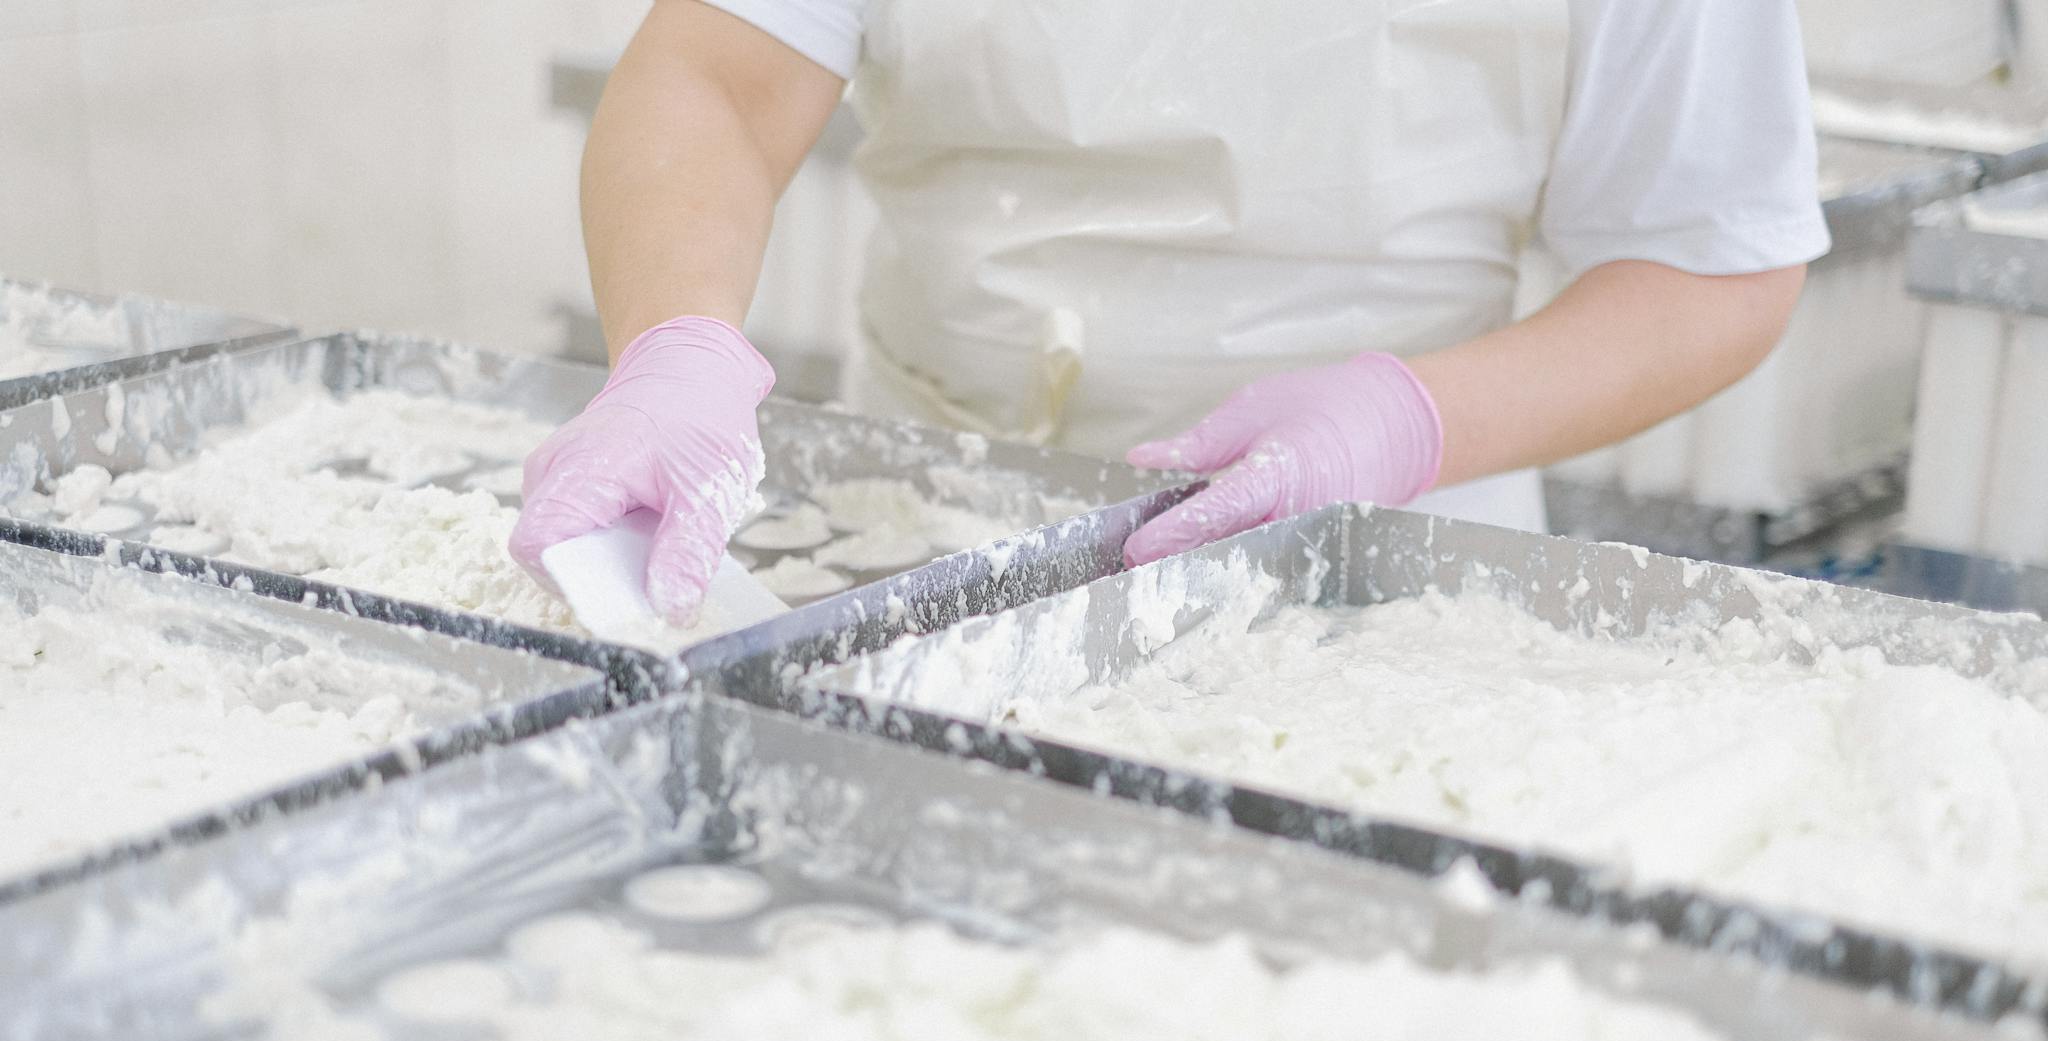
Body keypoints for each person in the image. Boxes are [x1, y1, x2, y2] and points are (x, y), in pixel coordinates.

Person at [511, 0, 1827, 625]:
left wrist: (1410, 418)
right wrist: (675, 338)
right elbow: (715, 80)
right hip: (925, 535)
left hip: (1382, 572)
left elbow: (1711, 261)